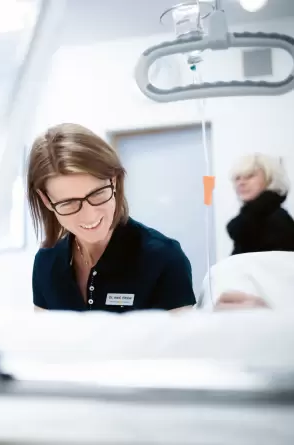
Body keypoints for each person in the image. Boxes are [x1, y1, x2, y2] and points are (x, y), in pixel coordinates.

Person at [27, 123, 196, 313]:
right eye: (69, 203)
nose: (89, 215)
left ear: (113, 181)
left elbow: (184, 341)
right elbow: (43, 340)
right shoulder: (46, 262)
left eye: (97, 193)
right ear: (47, 201)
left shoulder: (164, 258)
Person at [227, 153, 294, 255]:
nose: (241, 183)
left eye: (249, 176)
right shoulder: (247, 222)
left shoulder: (277, 219)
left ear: (269, 179)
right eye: (237, 178)